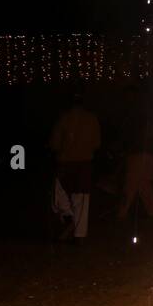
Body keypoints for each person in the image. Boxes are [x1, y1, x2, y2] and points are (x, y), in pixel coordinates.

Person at [49, 91, 101, 240]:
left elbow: (55, 143)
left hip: (65, 163)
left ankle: (69, 218)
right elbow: (97, 143)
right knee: (81, 199)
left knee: (59, 194)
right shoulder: (92, 119)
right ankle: (79, 234)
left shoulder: (64, 118)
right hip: (84, 163)